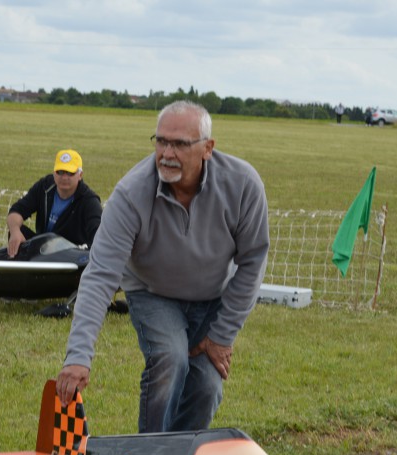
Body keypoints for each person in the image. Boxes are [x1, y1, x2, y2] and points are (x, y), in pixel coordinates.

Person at [55, 100, 269, 433]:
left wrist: (221, 336)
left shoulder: (243, 185)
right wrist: (78, 356)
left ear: (208, 148)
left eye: (180, 144)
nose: (166, 153)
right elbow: (100, 275)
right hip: (152, 292)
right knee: (170, 360)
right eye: (160, 141)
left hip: (212, 298)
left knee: (207, 387)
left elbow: (253, 259)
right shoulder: (130, 194)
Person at [5, 149, 102, 258]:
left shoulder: (90, 201)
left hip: (72, 256)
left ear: (80, 175)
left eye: (70, 173)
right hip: (42, 250)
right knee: (19, 231)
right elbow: (16, 211)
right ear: (54, 172)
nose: (64, 177)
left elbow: (99, 236)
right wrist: (14, 232)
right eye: (60, 172)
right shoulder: (45, 186)